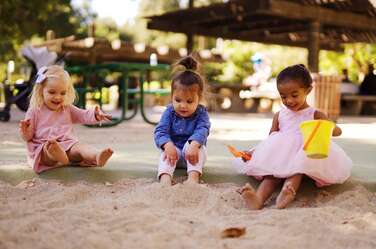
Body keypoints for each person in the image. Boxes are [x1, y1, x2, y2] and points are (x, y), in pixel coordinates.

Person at [233, 64, 352, 209]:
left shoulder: (315, 114)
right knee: (271, 175)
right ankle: (257, 199)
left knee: (297, 170)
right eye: (283, 96)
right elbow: (270, 139)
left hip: (304, 151)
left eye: (294, 95)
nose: (289, 100)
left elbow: (337, 132)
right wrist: (254, 152)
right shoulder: (279, 115)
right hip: (281, 153)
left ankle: (287, 193)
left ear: (308, 90)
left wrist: (326, 125)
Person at [19, 65, 114, 173]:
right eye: (52, 92)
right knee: (48, 147)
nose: (58, 97)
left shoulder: (67, 108)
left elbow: (83, 115)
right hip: (44, 148)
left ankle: (97, 156)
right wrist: (25, 131)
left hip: (68, 146)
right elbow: (28, 137)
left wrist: (95, 115)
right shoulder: (34, 111)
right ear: (41, 91)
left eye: (62, 93)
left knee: (80, 147)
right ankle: (57, 155)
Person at [154, 55, 211, 185]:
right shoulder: (169, 111)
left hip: (194, 154)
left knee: (199, 148)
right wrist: (167, 145)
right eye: (178, 100)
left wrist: (194, 144)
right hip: (173, 153)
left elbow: (203, 129)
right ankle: (165, 179)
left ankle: (193, 179)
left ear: (199, 98)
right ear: (172, 96)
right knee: (164, 153)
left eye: (189, 101)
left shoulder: (201, 112)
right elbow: (160, 131)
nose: (183, 105)